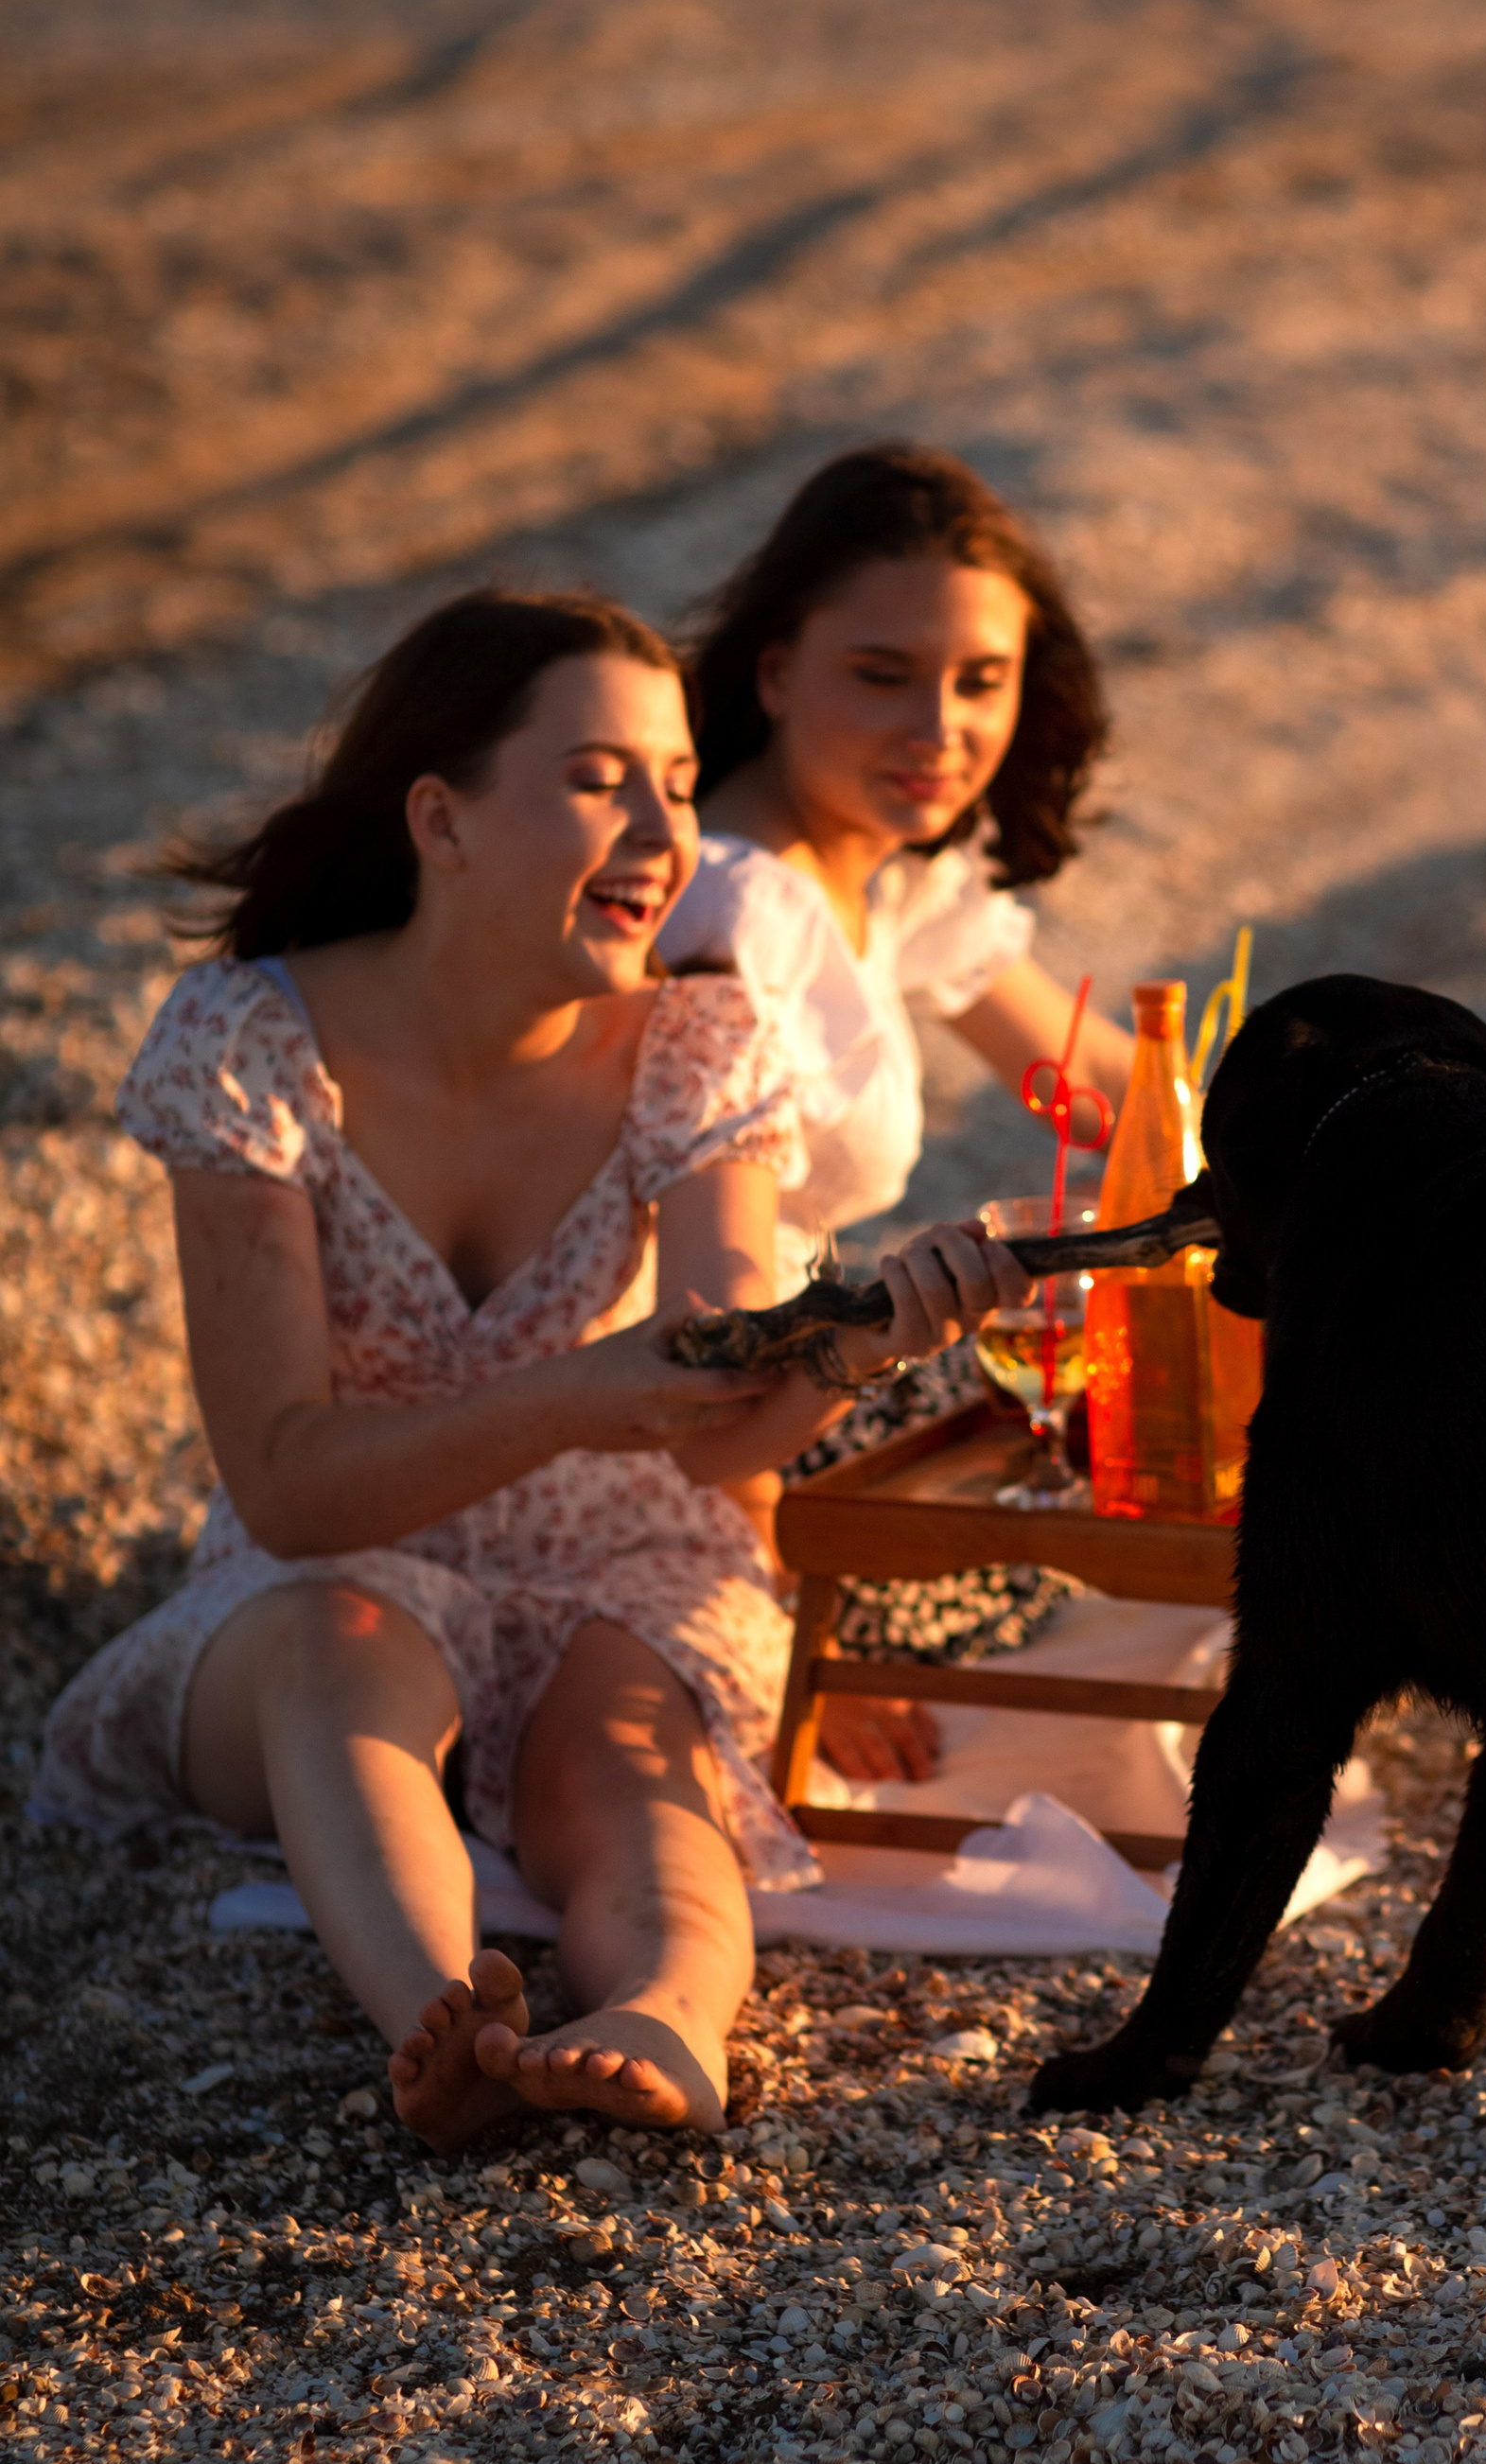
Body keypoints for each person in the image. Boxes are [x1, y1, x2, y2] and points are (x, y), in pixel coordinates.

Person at [31, 588, 1028, 2150]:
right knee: (335, 1647)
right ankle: (448, 2024)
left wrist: (860, 1347)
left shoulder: (704, 1045)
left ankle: (668, 2022)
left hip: (622, 1553)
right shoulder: (248, 1042)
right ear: (442, 818)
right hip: (332, 1563)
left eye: (683, 787)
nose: (660, 832)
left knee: (629, 1766)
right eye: (597, 779)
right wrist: (571, 1396)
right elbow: (288, 1490)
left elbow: (714, 1440)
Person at [659, 443, 1131, 1781]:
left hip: (806, 1372)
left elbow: (1106, 1089)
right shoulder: (731, 912)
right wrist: (791, 1638)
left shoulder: (887, 871)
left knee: (1130, 1399)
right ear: (773, 672)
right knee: (1088, 1472)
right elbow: (695, 1325)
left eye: (982, 682)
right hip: (701, 1418)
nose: (940, 730)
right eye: (882, 676)